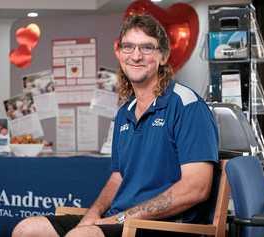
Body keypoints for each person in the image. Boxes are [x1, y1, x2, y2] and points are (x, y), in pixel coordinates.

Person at [11, 14, 218, 237]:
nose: (136, 56)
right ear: (119, 54)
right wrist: (93, 214)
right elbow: (118, 177)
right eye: (128, 47)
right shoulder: (124, 113)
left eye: (147, 48)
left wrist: (119, 219)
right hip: (121, 219)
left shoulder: (188, 105)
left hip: (165, 225)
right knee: (28, 230)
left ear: (163, 56)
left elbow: (196, 188)